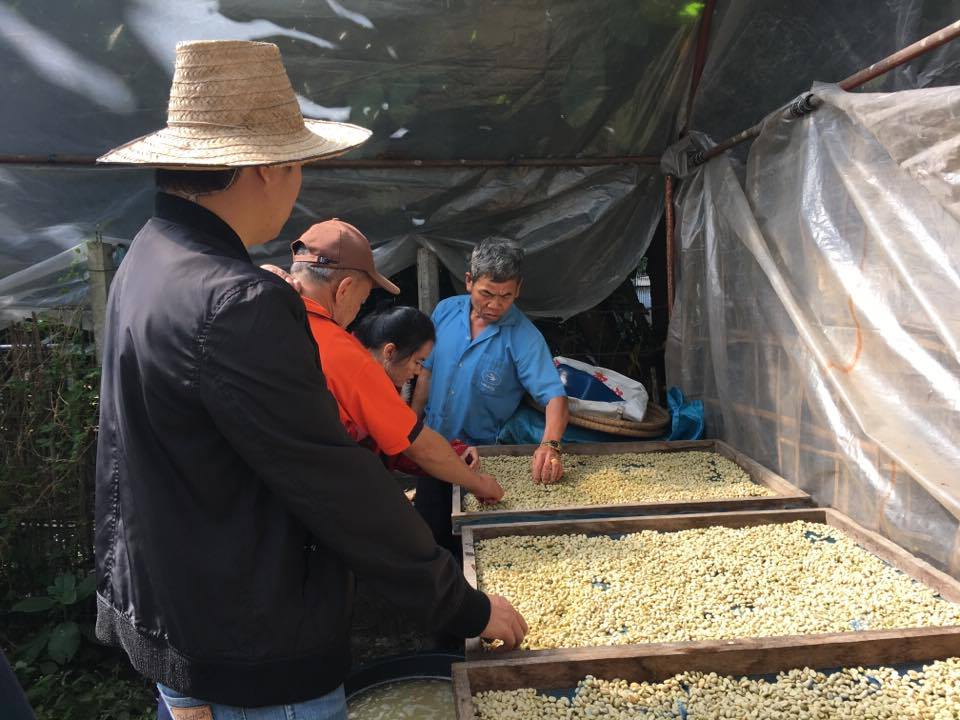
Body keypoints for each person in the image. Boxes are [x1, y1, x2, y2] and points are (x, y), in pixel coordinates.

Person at [94, 40, 526, 720]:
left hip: (175, 616)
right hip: (252, 647)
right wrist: (462, 603)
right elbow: (332, 482)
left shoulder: (147, 260)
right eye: (298, 164)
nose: (299, 184)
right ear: (268, 168)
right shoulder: (239, 301)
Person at [284, 220, 504, 509]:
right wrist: (479, 483)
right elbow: (418, 446)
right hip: (327, 501)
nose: (357, 311)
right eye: (362, 300)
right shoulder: (345, 355)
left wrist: (454, 453)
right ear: (344, 289)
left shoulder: (271, 316)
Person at [411, 238, 570, 546]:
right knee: (428, 534)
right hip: (431, 446)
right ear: (469, 281)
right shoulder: (445, 311)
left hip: (479, 460)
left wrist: (550, 445)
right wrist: (410, 426)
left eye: (506, 296)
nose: (496, 304)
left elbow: (555, 397)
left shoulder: (524, 337)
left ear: (518, 289)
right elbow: (426, 374)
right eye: (487, 293)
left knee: (470, 543)